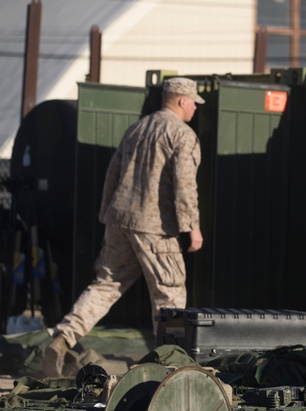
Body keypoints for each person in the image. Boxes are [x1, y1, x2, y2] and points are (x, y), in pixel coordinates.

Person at [41, 77, 205, 378]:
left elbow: (112, 173)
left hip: (120, 219)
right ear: (182, 101)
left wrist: (107, 212)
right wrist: (191, 226)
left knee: (105, 285)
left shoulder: (137, 129)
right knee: (169, 294)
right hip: (156, 226)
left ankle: (62, 339)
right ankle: (169, 365)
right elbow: (185, 186)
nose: (195, 108)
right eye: (194, 102)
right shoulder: (183, 135)